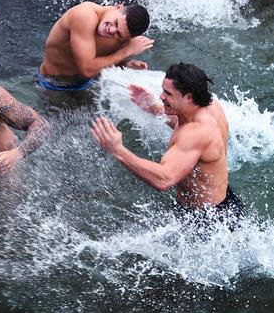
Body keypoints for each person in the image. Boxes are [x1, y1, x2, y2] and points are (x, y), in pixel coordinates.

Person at [92, 63, 242, 224]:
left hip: (206, 220)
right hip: (222, 203)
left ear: (189, 97)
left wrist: (118, 150)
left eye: (168, 94)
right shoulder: (210, 107)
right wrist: (154, 108)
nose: (162, 96)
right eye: (163, 90)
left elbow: (164, 179)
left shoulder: (195, 134)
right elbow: (182, 121)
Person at [37, 2, 153, 91]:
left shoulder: (122, 37)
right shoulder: (84, 16)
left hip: (87, 84)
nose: (111, 30)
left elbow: (100, 59)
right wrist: (125, 51)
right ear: (118, 7)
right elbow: (86, 69)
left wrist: (124, 63)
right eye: (115, 23)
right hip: (52, 84)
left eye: (118, 34)